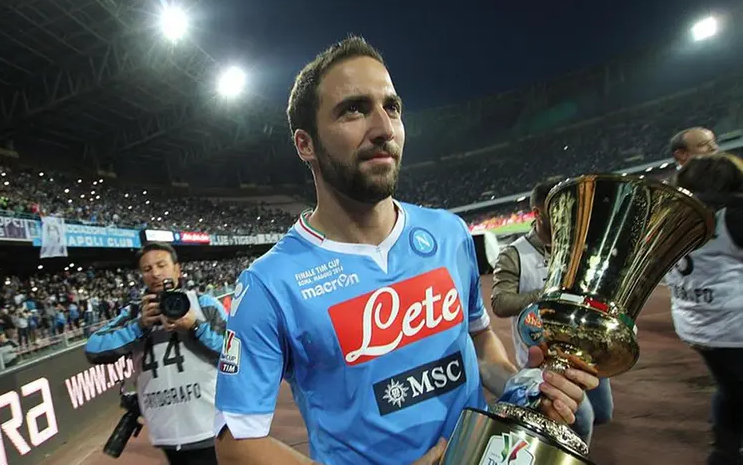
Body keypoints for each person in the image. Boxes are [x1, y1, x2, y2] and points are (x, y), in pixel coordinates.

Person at [213, 36, 598, 465]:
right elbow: (236, 442)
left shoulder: (449, 233)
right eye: (354, 109)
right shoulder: (269, 284)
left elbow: (479, 337)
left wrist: (520, 386)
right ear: (306, 145)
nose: (383, 129)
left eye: (391, 107)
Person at [491, 178, 614, 446]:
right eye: (560, 209)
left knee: (604, 413)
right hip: (545, 359)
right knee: (582, 421)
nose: (571, 216)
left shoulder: (582, 245)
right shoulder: (514, 255)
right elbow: (500, 303)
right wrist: (549, 295)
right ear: (538, 213)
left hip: (585, 349)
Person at [85, 243, 226, 465]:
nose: (156, 273)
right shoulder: (134, 313)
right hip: (166, 432)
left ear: (177, 270)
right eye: (147, 269)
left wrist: (195, 326)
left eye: (161, 265)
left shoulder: (203, 304)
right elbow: (93, 348)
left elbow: (234, 351)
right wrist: (138, 326)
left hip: (210, 426)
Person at [666, 152, 743, 465]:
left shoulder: (670, 218)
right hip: (733, 326)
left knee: (730, 388)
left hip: (695, 323)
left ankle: (725, 448)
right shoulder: (734, 216)